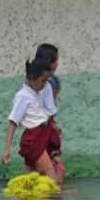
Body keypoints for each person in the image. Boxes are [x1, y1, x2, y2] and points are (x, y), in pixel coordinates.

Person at [1, 59, 64, 184]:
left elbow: (44, 116)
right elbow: (13, 122)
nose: (45, 84)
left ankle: (19, 199)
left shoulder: (37, 93)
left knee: (30, 182)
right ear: (32, 78)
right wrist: (7, 149)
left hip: (40, 138)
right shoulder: (22, 96)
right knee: (54, 181)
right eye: (43, 81)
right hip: (33, 142)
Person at [34, 43, 64, 176]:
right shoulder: (47, 82)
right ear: (49, 61)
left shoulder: (44, 80)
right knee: (57, 171)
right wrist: (53, 126)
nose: (57, 63)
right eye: (55, 60)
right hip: (44, 132)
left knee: (47, 170)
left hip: (45, 131)